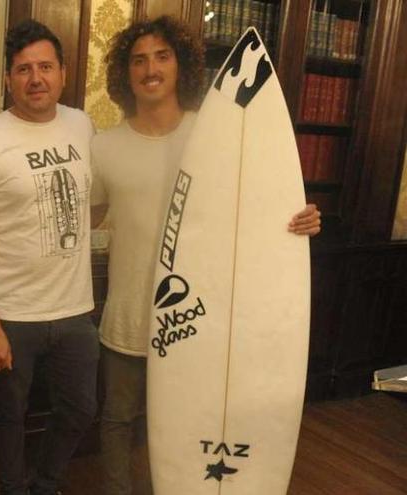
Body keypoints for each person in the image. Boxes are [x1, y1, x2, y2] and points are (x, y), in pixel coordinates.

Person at [90, 16, 322, 495]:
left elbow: (258, 209)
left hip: (199, 325)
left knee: (185, 424)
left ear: (181, 65)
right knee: (116, 421)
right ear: (124, 73)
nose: (150, 68)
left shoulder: (214, 138)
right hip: (128, 316)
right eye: (138, 60)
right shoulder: (103, 147)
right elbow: (86, 224)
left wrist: (300, 220)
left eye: (161, 56)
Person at [0, 20, 98, 495]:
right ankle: (14, 488)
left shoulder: (82, 125)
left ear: (62, 71)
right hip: (14, 314)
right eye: (23, 69)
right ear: (8, 78)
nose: (35, 78)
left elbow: (98, 198)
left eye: (44, 67)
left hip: (76, 309)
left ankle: (47, 483)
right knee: (9, 415)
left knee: (79, 408)